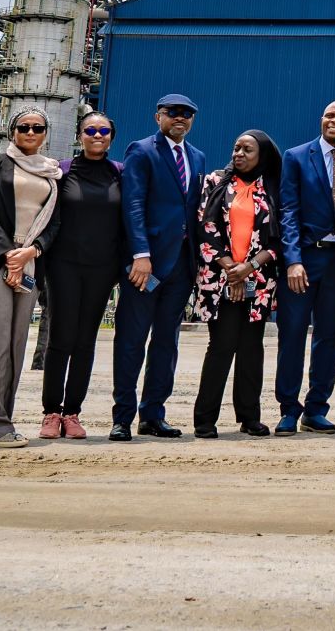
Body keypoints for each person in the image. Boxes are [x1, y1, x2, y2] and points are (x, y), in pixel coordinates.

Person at [111, 93, 207, 441]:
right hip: (146, 266)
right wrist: (140, 254)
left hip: (181, 265)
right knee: (132, 340)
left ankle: (153, 414)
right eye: (173, 112)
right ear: (158, 117)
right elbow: (133, 204)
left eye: (187, 114)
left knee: (167, 342)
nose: (180, 118)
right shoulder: (142, 151)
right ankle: (123, 417)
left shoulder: (197, 157)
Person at [0, 106, 63, 447]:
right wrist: (9, 255)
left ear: (45, 134)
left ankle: (2, 422)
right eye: (23, 127)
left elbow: (55, 222)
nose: (30, 132)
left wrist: (31, 252)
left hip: (30, 263)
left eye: (37, 128)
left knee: (15, 346)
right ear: (12, 131)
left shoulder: (52, 172)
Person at [275, 100, 335, 435]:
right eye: (330, 115)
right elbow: (288, 211)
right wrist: (293, 260)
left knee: (330, 336)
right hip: (305, 260)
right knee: (292, 334)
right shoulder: (296, 157)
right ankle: (288, 408)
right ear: (321, 119)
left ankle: (316, 408)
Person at [191, 131, 281, 438]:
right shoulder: (215, 182)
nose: (238, 154)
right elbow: (205, 227)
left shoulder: (273, 187)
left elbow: (279, 239)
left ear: (262, 156)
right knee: (221, 345)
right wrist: (232, 269)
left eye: (247, 150)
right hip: (220, 278)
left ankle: (249, 417)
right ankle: (205, 420)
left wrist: (249, 268)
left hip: (259, 280)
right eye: (236, 148)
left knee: (252, 348)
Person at [39, 111, 122, 439]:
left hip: (102, 269)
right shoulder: (62, 171)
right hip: (64, 266)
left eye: (103, 131)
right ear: (79, 135)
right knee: (60, 338)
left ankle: (72, 412)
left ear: (111, 137)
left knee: (86, 341)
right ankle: (51, 412)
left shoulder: (120, 174)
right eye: (90, 130)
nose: (97, 135)